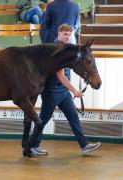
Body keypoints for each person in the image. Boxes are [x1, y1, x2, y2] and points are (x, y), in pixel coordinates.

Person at [31, 24, 101, 156]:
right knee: (43, 119)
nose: (67, 37)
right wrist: (75, 90)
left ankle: (84, 145)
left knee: (73, 117)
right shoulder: (55, 49)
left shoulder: (66, 49)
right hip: (52, 91)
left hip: (63, 92)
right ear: (58, 34)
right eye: (65, 34)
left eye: (69, 34)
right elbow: (60, 75)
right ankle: (33, 145)